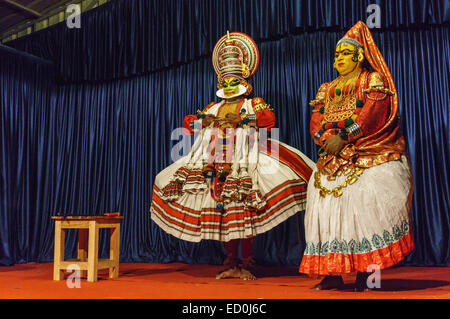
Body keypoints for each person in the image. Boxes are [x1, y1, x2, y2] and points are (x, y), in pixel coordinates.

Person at [150, 31, 314, 280]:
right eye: (225, 82)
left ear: (245, 82)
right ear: (220, 84)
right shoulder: (212, 107)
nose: (229, 86)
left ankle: (246, 261)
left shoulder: (253, 103)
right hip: (213, 162)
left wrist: (243, 118)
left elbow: (269, 121)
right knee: (222, 208)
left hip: (244, 160)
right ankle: (230, 260)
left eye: (233, 81)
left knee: (243, 207)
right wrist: (202, 121)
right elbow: (187, 125)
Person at [299, 21, 414, 291]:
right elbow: (316, 120)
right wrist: (326, 140)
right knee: (324, 212)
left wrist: (346, 137)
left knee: (363, 209)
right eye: (336, 55)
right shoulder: (326, 88)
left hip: (366, 151)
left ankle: (365, 273)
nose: (338, 58)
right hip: (331, 158)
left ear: (359, 56)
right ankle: (331, 274)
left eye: (344, 54)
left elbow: (372, 112)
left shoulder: (372, 80)